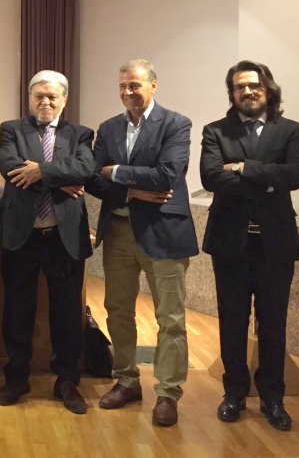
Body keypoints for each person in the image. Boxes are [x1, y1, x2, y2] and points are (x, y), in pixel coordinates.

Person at [87, 59, 197, 427]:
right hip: (119, 231)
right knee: (117, 310)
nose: (127, 92)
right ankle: (127, 381)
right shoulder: (109, 128)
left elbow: (167, 174)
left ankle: (168, 392)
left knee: (171, 318)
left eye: (134, 85)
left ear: (153, 85)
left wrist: (117, 172)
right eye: (122, 86)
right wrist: (132, 191)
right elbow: (92, 178)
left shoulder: (176, 124)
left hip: (164, 232)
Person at [200, 60, 299, 432]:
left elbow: (298, 174)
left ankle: (273, 398)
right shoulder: (216, 131)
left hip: (275, 244)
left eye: (254, 85)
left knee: (274, 323)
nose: (247, 91)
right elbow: (211, 177)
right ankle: (234, 393)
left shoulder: (292, 131)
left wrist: (243, 168)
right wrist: (270, 178)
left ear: (268, 89)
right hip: (230, 242)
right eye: (239, 86)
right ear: (232, 93)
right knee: (232, 321)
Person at [0, 70, 94, 414]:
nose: (45, 102)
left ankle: (66, 381)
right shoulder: (12, 129)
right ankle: (16, 378)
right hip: (21, 237)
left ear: (64, 100)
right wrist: (60, 180)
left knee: (67, 314)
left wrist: (40, 172)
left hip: (63, 239)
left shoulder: (80, 134)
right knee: (17, 311)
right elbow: (10, 167)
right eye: (39, 96)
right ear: (29, 98)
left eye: (52, 96)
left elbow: (84, 169)